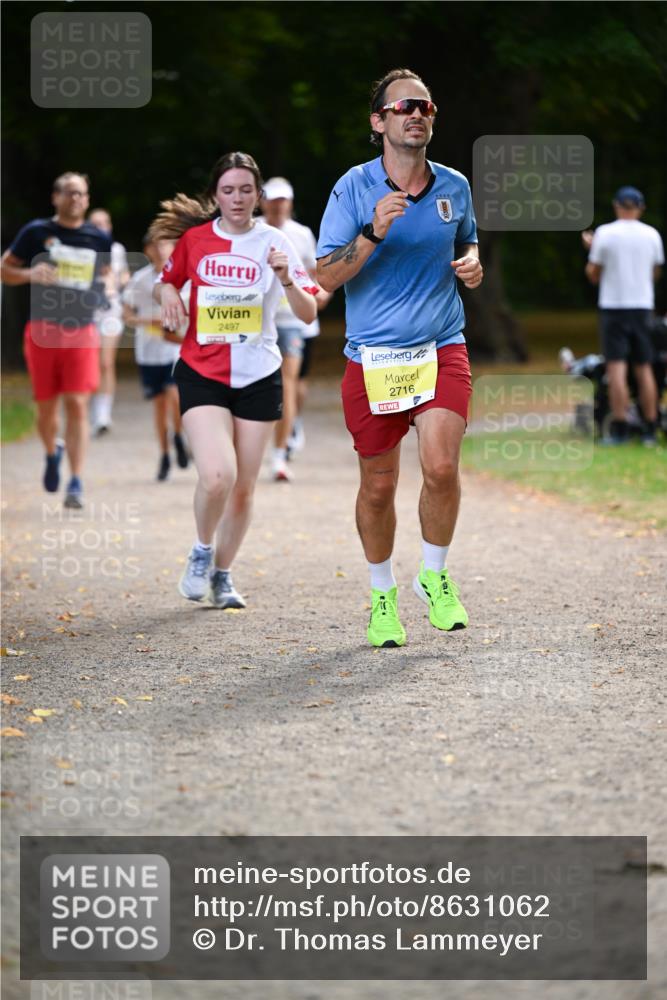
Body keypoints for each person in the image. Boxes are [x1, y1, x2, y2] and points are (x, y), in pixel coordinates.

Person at [316, 68, 483, 648]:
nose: (417, 114)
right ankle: (381, 594)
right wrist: (372, 232)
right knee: (379, 486)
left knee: (441, 467)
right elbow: (325, 276)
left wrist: (472, 263)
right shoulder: (352, 189)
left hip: (441, 345)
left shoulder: (454, 185)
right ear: (379, 121)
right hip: (375, 356)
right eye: (405, 106)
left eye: (427, 107)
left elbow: (467, 238)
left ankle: (433, 577)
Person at [152, 151, 317, 608]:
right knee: (218, 475)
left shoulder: (275, 242)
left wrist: (287, 280)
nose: (238, 198)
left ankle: (223, 576)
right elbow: (167, 279)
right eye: (228, 190)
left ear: (259, 195)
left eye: (247, 189)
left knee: (244, 487)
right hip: (202, 371)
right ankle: (202, 550)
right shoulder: (196, 241)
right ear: (215, 195)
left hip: (259, 374)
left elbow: (308, 312)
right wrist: (168, 294)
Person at [0, 171, 112, 509]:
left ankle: (75, 480)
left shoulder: (98, 237)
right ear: (56, 197)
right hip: (43, 331)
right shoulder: (36, 232)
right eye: (68, 193)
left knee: (77, 404)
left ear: (87, 200)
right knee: (47, 408)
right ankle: (52, 452)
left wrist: (102, 291)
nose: (75, 199)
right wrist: (30, 274)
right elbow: (5, 269)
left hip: (81, 330)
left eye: (81, 194)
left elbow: (104, 276)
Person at [260, 177, 332, 481]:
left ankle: (280, 454)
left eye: (283, 200)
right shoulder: (253, 231)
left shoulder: (301, 234)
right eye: (273, 200)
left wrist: (320, 295)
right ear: (263, 201)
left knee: (290, 384)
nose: (278, 206)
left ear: (289, 202)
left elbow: (314, 274)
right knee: (264, 385)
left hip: (293, 320)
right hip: (259, 321)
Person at [584, 186, 664, 445]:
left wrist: (591, 249)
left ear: (617, 206)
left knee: (616, 368)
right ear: (640, 207)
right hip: (642, 306)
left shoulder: (605, 234)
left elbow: (593, 274)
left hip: (613, 307)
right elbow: (655, 272)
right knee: (644, 367)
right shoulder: (652, 235)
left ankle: (619, 428)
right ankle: (650, 428)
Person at [121, 233, 189, 481]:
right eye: (155, 245)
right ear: (148, 250)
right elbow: (126, 311)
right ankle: (164, 454)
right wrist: (141, 320)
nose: (160, 250)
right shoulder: (140, 280)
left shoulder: (182, 278)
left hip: (173, 349)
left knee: (175, 397)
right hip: (148, 351)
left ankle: (179, 435)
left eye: (165, 244)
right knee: (159, 406)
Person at [87, 208, 130, 435]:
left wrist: (120, 282)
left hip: (110, 310)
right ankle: (92, 411)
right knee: (90, 363)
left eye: (104, 223)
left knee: (106, 362)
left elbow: (123, 274)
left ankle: (104, 415)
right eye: (95, 223)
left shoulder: (116, 249)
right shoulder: (82, 249)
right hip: (86, 311)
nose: (100, 227)